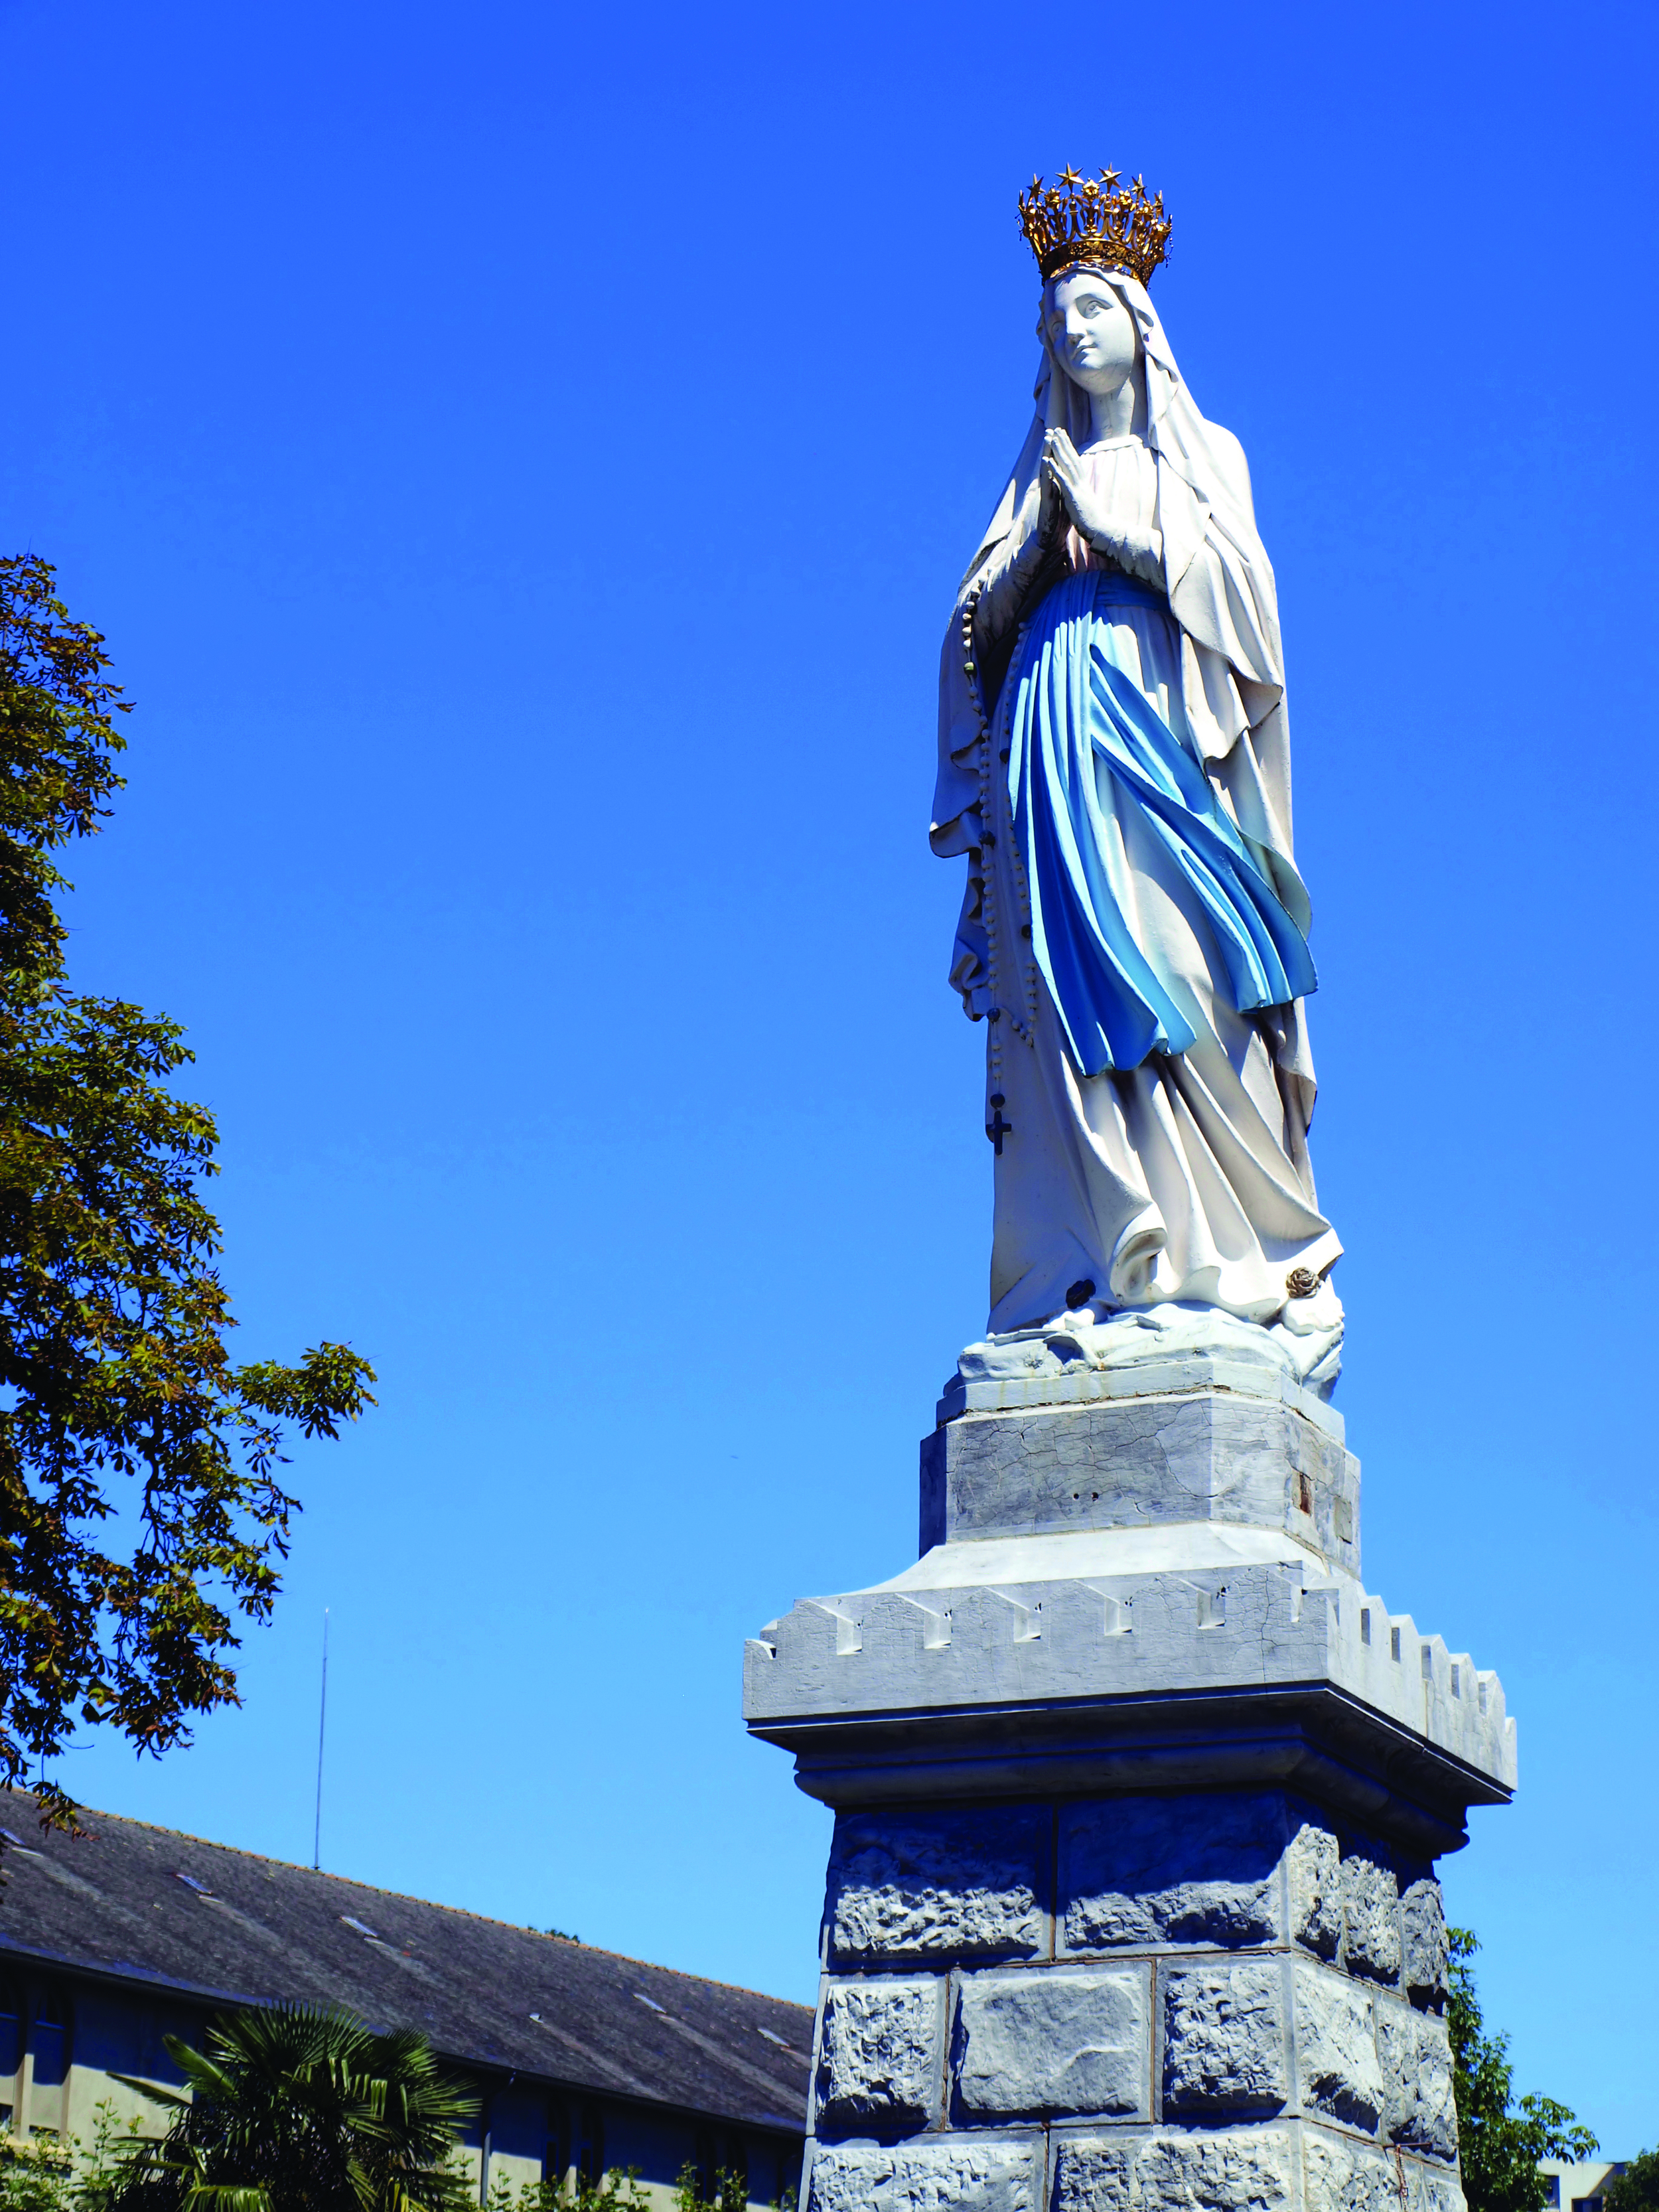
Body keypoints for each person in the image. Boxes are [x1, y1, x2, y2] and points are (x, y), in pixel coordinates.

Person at [932, 171, 1342, 1386]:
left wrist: (1118, 540)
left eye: (1095, 307)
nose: (1075, 331)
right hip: (1051, 737)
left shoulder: (1204, 456)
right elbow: (966, 643)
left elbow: (1253, 622)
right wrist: (1027, 570)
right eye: (1055, 318)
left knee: (1176, 975)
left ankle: (1225, 1254)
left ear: (1142, 325)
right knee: (1063, 993)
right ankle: (1113, 1257)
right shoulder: (1029, 480)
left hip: (1161, 736)